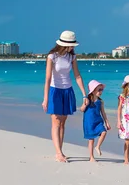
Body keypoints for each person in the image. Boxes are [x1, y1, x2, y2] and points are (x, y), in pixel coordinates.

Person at [41, 30, 88, 163]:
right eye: (71, 45)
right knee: (56, 121)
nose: (73, 47)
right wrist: (45, 98)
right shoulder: (52, 56)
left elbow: (77, 75)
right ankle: (58, 152)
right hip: (55, 91)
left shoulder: (72, 57)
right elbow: (48, 78)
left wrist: (84, 94)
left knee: (62, 123)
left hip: (67, 90)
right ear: (64, 44)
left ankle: (60, 151)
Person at [81, 80, 111, 162]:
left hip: (98, 121)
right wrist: (85, 104)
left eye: (102, 90)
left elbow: (103, 113)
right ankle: (91, 157)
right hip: (89, 122)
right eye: (99, 90)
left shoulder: (100, 101)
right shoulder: (87, 99)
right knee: (91, 140)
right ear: (93, 90)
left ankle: (98, 146)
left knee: (104, 132)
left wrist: (107, 122)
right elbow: (82, 109)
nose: (101, 91)